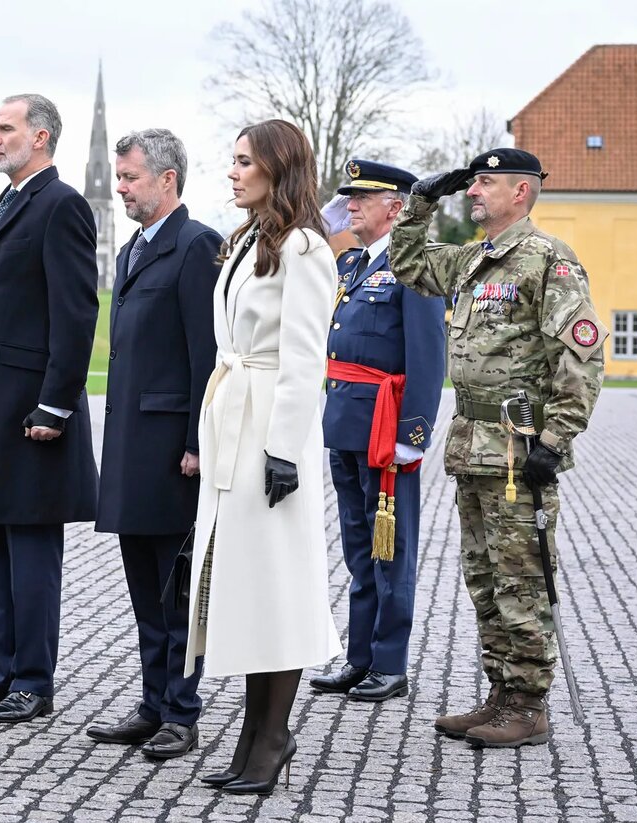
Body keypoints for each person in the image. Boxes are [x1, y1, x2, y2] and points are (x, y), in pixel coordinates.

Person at [388, 147, 606, 747]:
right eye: (473, 181)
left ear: (522, 193)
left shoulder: (547, 261)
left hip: (518, 449)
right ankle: (501, 694)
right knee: (484, 577)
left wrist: (555, 441)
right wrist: (421, 202)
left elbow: (582, 359)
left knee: (522, 579)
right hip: (472, 446)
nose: (475, 190)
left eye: (487, 182)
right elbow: (408, 265)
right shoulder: (473, 260)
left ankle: (529, 705)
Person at [185, 119, 342, 795]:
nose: (232, 171)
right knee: (246, 585)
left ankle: (272, 736)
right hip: (235, 421)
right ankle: (254, 733)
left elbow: (307, 355)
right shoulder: (250, 240)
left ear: (278, 170)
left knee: (276, 586)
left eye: (245, 161)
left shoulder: (305, 248)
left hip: (272, 434)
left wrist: (283, 448)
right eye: (234, 160)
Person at [0, 94, 100, 724]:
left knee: (31, 549)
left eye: (4, 128)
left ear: (39, 137)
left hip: (33, 412)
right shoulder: (5, 202)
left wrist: (56, 405)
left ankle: (33, 679)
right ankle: (0, 670)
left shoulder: (62, 205)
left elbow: (76, 312)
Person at [87, 129, 221, 759]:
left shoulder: (197, 246)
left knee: (176, 588)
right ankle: (151, 702)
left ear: (168, 179)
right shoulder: (134, 249)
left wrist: (198, 439)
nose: (121, 188)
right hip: (131, 444)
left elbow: (207, 354)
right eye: (118, 177)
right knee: (143, 584)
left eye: (130, 177)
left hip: (173, 449)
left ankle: (181, 711)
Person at [311, 160, 445, 703]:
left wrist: (412, 432)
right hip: (346, 424)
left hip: (385, 428)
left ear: (395, 207)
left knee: (392, 548)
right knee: (358, 547)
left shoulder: (414, 266)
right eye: (349, 199)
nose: (350, 207)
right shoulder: (351, 267)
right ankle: (359, 656)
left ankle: (389, 662)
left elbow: (428, 355)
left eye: (362, 198)